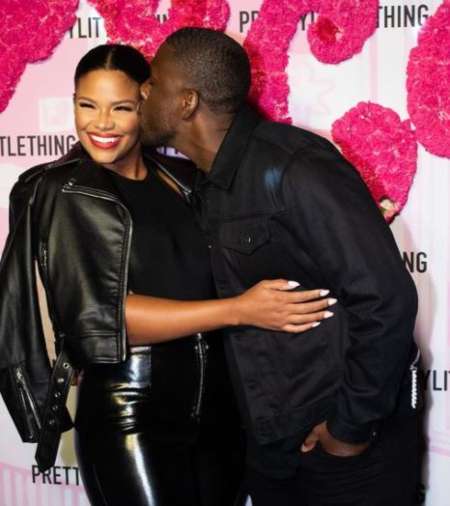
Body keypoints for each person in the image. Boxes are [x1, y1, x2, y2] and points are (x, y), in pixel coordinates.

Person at [0, 44, 333, 506]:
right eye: (87, 105)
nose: (101, 124)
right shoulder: (66, 189)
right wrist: (239, 310)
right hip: (130, 413)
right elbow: (105, 317)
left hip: (221, 409)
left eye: (121, 107)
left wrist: (327, 223)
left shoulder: (184, 179)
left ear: (147, 102)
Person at [140, 28, 422, 506]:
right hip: (273, 446)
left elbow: (387, 298)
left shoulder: (295, 167)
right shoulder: (207, 184)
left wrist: (349, 428)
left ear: (187, 102)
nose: (143, 91)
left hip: (343, 450)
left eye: (153, 82)